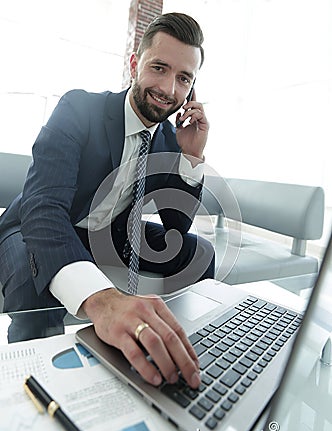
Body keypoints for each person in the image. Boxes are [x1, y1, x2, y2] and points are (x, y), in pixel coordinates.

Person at [0, 12, 214, 389]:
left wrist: (190, 160)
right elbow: (44, 208)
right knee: (27, 278)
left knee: (200, 252)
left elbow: (176, 227)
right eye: (159, 68)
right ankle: (42, 386)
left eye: (184, 78)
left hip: (111, 236)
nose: (168, 89)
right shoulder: (79, 108)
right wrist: (103, 301)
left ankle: (180, 344)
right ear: (135, 64)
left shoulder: (169, 138)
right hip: (34, 227)